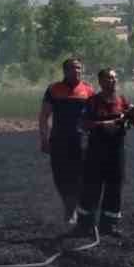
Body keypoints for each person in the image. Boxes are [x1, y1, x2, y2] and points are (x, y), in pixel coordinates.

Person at [75, 67, 134, 238]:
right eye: (108, 78)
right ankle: (84, 225)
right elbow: (82, 124)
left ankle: (108, 225)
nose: (112, 81)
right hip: (96, 151)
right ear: (101, 81)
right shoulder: (92, 102)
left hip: (116, 151)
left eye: (114, 78)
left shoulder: (122, 100)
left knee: (114, 187)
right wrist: (104, 125)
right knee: (91, 187)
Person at [38, 55, 95, 226]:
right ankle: (68, 206)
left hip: (81, 142)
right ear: (65, 71)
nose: (76, 71)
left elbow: (94, 117)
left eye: (79, 68)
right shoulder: (54, 89)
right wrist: (44, 138)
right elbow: (44, 115)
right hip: (59, 140)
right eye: (72, 68)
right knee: (60, 176)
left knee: (79, 177)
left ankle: (73, 211)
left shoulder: (88, 90)